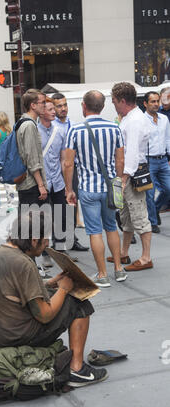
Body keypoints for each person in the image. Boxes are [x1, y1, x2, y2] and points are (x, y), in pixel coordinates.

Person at [0, 210, 108, 388]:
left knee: (56, 295)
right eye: (45, 239)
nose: (47, 243)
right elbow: (44, 315)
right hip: (14, 336)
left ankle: (75, 366)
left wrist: (50, 284)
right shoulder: (24, 263)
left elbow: (13, 292)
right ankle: (76, 369)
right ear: (32, 241)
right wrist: (63, 288)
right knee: (79, 302)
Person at [65, 91, 126, 287]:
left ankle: (102, 274)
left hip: (88, 187)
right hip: (110, 188)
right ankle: (118, 269)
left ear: (84, 106)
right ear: (102, 106)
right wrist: (118, 181)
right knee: (111, 227)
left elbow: (68, 164)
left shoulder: (75, 130)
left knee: (94, 232)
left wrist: (69, 189)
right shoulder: (114, 128)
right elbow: (120, 159)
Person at [111, 82, 153, 272]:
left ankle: (146, 257)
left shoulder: (135, 120)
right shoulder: (130, 116)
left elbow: (133, 152)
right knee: (126, 215)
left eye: (114, 101)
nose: (113, 105)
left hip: (132, 173)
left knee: (139, 214)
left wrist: (124, 176)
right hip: (128, 172)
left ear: (122, 101)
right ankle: (124, 252)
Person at [38, 99, 77, 267]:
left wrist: (68, 187)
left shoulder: (60, 131)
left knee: (62, 216)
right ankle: (45, 251)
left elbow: (63, 159)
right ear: (41, 112)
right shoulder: (34, 131)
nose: (54, 112)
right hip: (42, 181)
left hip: (57, 181)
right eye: (50, 109)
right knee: (45, 217)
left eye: (55, 108)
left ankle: (60, 249)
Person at [51, 92, 89, 253]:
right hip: (56, 173)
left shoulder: (74, 125)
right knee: (59, 209)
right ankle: (58, 242)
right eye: (59, 106)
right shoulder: (50, 127)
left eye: (65, 105)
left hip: (73, 171)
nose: (63, 109)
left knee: (72, 206)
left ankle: (71, 239)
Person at [16, 89, 48, 207]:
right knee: (33, 224)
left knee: (29, 223)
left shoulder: (23, 122)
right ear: (33, 105)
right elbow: (32, 158)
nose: (45, 105)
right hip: (31, 184)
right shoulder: (29, 125)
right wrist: (41, 184)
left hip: (27, 184)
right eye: (43, 102)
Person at [143, 91, 170, 233]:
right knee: (149, 193)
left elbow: (168, 139)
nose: (155, 104)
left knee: (168, 189)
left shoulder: (164, 119)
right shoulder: (141, 120)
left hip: (163, 160)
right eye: (152, 101)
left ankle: (156, 209)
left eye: (157, 101)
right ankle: (152, 221)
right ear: (145, 103)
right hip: (149, 161)